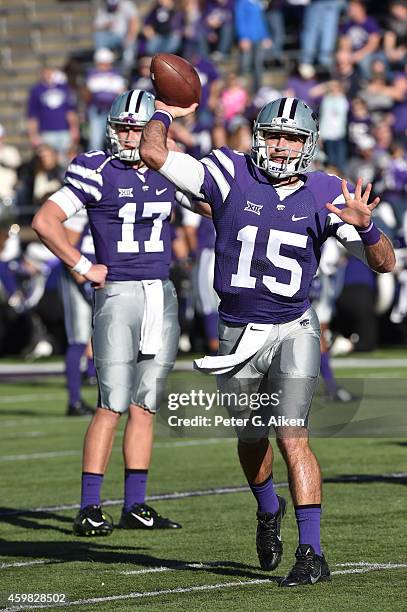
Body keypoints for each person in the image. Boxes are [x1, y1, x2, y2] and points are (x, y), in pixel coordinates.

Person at [139, 96, 395, 586]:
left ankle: (312, 552)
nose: (280, 145)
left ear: (308, 144)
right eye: (273, 135)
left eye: (291, 137)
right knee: (251, 438)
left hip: (295, 326)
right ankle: (266, 510)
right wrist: (167, 111)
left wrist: (367, 227)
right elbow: (154, 153)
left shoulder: (327, 190)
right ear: (258, 135)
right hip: (237, 331)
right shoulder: (229, 169)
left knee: (292, 434)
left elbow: (385, 263)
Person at [32, 89, 184, 536]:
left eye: (138, 128)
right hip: (117, 292)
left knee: (145, 405)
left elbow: (213, 205)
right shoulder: (95, 169)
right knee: (111, 403)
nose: (130, 136)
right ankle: (89, 506)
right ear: (111, 128)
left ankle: (135, 504)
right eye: (123, 127)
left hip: (162, 292)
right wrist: (81, 266)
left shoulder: (169, 167)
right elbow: (45, 221)